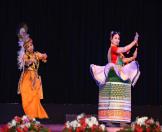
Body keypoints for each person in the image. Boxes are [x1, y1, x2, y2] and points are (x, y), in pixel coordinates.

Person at [90, 31, 140, 126]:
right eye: (115, 38)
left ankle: (122, 120)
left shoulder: (118, 52)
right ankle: (108, 120)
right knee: (112, 97)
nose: (117, 40)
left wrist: (133, 57)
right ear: (111, 39)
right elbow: (125, 48)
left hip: (119, 75)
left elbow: (123, 60)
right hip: (113, 75)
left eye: (118, 38)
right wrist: (134, 41)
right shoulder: (112, 48)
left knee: (120, 97)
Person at [17, 24, 48, 119]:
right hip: (27, 78)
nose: (31, 47)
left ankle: (34, 115)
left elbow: (44, 56)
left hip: (35, 78)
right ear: (26, 48)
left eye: (31, 45)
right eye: (28, 46)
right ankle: (29, 115)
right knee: (27, 96)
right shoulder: (25, 56)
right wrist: (31, 61)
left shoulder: (36, 54)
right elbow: (26, 63)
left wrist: (43, 56)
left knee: (34, 97)